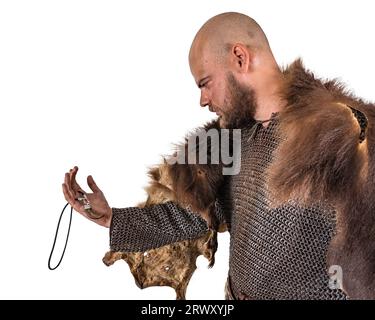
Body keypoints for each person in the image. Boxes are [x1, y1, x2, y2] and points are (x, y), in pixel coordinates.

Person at [62, 12, 375, 299]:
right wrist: (112, 218)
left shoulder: (344, 133)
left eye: (205, 83)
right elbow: (195, 214)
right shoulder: (232, 141)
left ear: (239, 57)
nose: (203, 100)